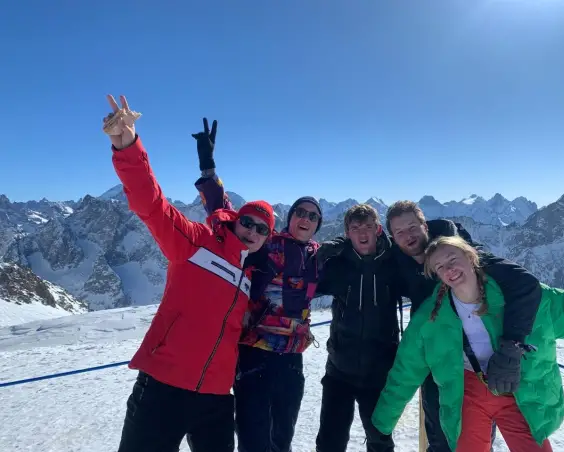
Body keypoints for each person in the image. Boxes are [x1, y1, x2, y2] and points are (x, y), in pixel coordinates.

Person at [103, 96, 275, 452]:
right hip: (163, 386)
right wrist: (129, 147)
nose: (253, 232)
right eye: (248, 222)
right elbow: (151, 205)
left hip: (215, 397)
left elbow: (220, 204)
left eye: (262, 230)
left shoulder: (251, 273)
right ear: (236, 220)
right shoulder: (197, 243)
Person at [371, 234, 564, 451]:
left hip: (521, 389)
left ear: (471, 257)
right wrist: (381, 423)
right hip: (468, 393)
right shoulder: (429, 319)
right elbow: (404, 373)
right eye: (440, 267)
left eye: (453, 259)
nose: (449, 269)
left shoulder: (522, 299)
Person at [192, 119, 322, 452]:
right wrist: (209, 169)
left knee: (282, 440)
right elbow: (227, 217)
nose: (305, 219)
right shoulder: (265, 244)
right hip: (254, 356)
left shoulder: (320, 256)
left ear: (317, 226)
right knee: (253, 439)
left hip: (293, 362)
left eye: (312, 216)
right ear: (290, 217)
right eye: (300, 213)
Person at [385, 200, 543, 451]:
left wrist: (512, 344)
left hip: (477, 364)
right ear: (393, 237)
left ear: (424, 225)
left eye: (412, 227)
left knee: (474, 438)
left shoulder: (458, 249)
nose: (408, 236)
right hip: (435, 358)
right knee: (438, 433)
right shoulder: (397, 258)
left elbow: (525, 285)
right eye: (400, 232)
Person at [313, 204, 403, 452]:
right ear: (347, 233)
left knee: (380, 441)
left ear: (378, 229)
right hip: (339, 370)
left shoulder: (395, 262)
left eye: (368, 227)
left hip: (379, 372)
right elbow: (302, 282)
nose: (362, 234)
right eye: (355, 229)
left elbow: (424, 265)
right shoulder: (338, 264)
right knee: (330, 440)